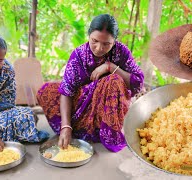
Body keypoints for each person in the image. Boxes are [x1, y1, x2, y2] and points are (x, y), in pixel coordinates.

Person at [37, 14, 144, 152]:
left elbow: (138, 82)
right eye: (95, 41)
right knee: (46, 90)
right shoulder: (79, 55)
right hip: (81, 105)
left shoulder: (121, 52)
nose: (99, 48)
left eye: (107, 44)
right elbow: (67, 91)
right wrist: (65, 126)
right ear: (89, 35)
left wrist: (111, 67)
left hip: (108, 105)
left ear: (115, 41)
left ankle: (108, 131)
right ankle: (76, 128)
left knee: (114, 81)